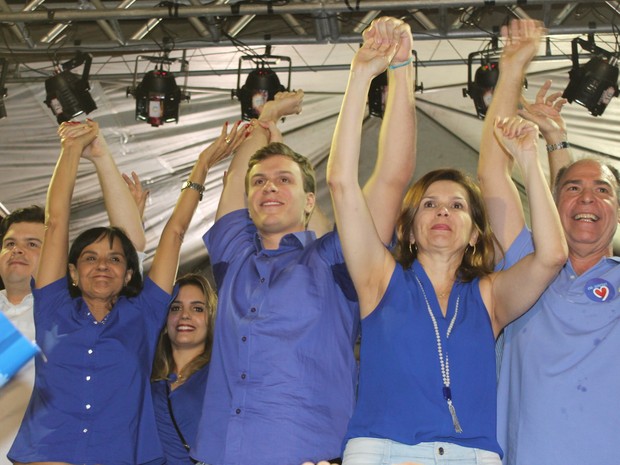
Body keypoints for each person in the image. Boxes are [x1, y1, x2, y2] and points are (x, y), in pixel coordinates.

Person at [326, 18, 567, 465]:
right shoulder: (378, 279)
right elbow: (341, 183)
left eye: (457, 206)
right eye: (429, 205)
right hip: (383, 450)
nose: (442, 212)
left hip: (471, 455)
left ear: (476, 232)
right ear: (408, 229)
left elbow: (552, 256)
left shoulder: (489, 296)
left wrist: (531, 162)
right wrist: (362, 75)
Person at [194, 16, 417, 465]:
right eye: (259, 183)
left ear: (310, 200)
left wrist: (398, 69)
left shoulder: (334, 259)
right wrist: (265, 120)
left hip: (304, 455)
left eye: (283, 180)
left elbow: (391, 180)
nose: (268, 187)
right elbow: (236, 177)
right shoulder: (233, 256)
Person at [8, 119, 244, 465]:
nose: (102, 265)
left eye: (115, 259)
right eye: (90, 258)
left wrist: (202, 166)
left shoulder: (144, 315)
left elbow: (176, 232)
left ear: (128, 273)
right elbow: (55, 220)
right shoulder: (52, 306)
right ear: (72, 273)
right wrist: (72, 148)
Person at [478, 19, 620, 465]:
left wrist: (559, 141)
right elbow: (491, 174)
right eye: (573, 190)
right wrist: (513, 67)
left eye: (604, 191)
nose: (588, 199)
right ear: (551, 205)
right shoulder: (526, 264)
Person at [0, 125, 149, 465]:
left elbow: (127, 242)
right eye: (9, 244)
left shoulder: (70, 313)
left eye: (33, 244)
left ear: (60, 261)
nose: (18, 251)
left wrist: (98, 156)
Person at [151, 273, 217, 465]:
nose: (185, 315)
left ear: (211, 317)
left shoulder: (222, 375)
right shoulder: (149, 380)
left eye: (197, 308)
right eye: (176, 308)